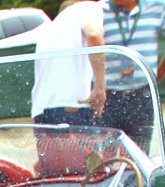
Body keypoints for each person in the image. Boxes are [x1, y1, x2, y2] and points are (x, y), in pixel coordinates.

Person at [100, 0, 165, 153]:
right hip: (108, 97)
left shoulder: (156, 6)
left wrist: (159, 73)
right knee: (106, 156)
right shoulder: (99, 10)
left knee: (139, 154)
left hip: (141, 95)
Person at [33, 0, 109, 173]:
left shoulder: (48, 30)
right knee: (89, 177)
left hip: (42, 113)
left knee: (56, 179)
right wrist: (100, 87)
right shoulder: (88, 7)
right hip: (72, 108)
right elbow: (95, 36)